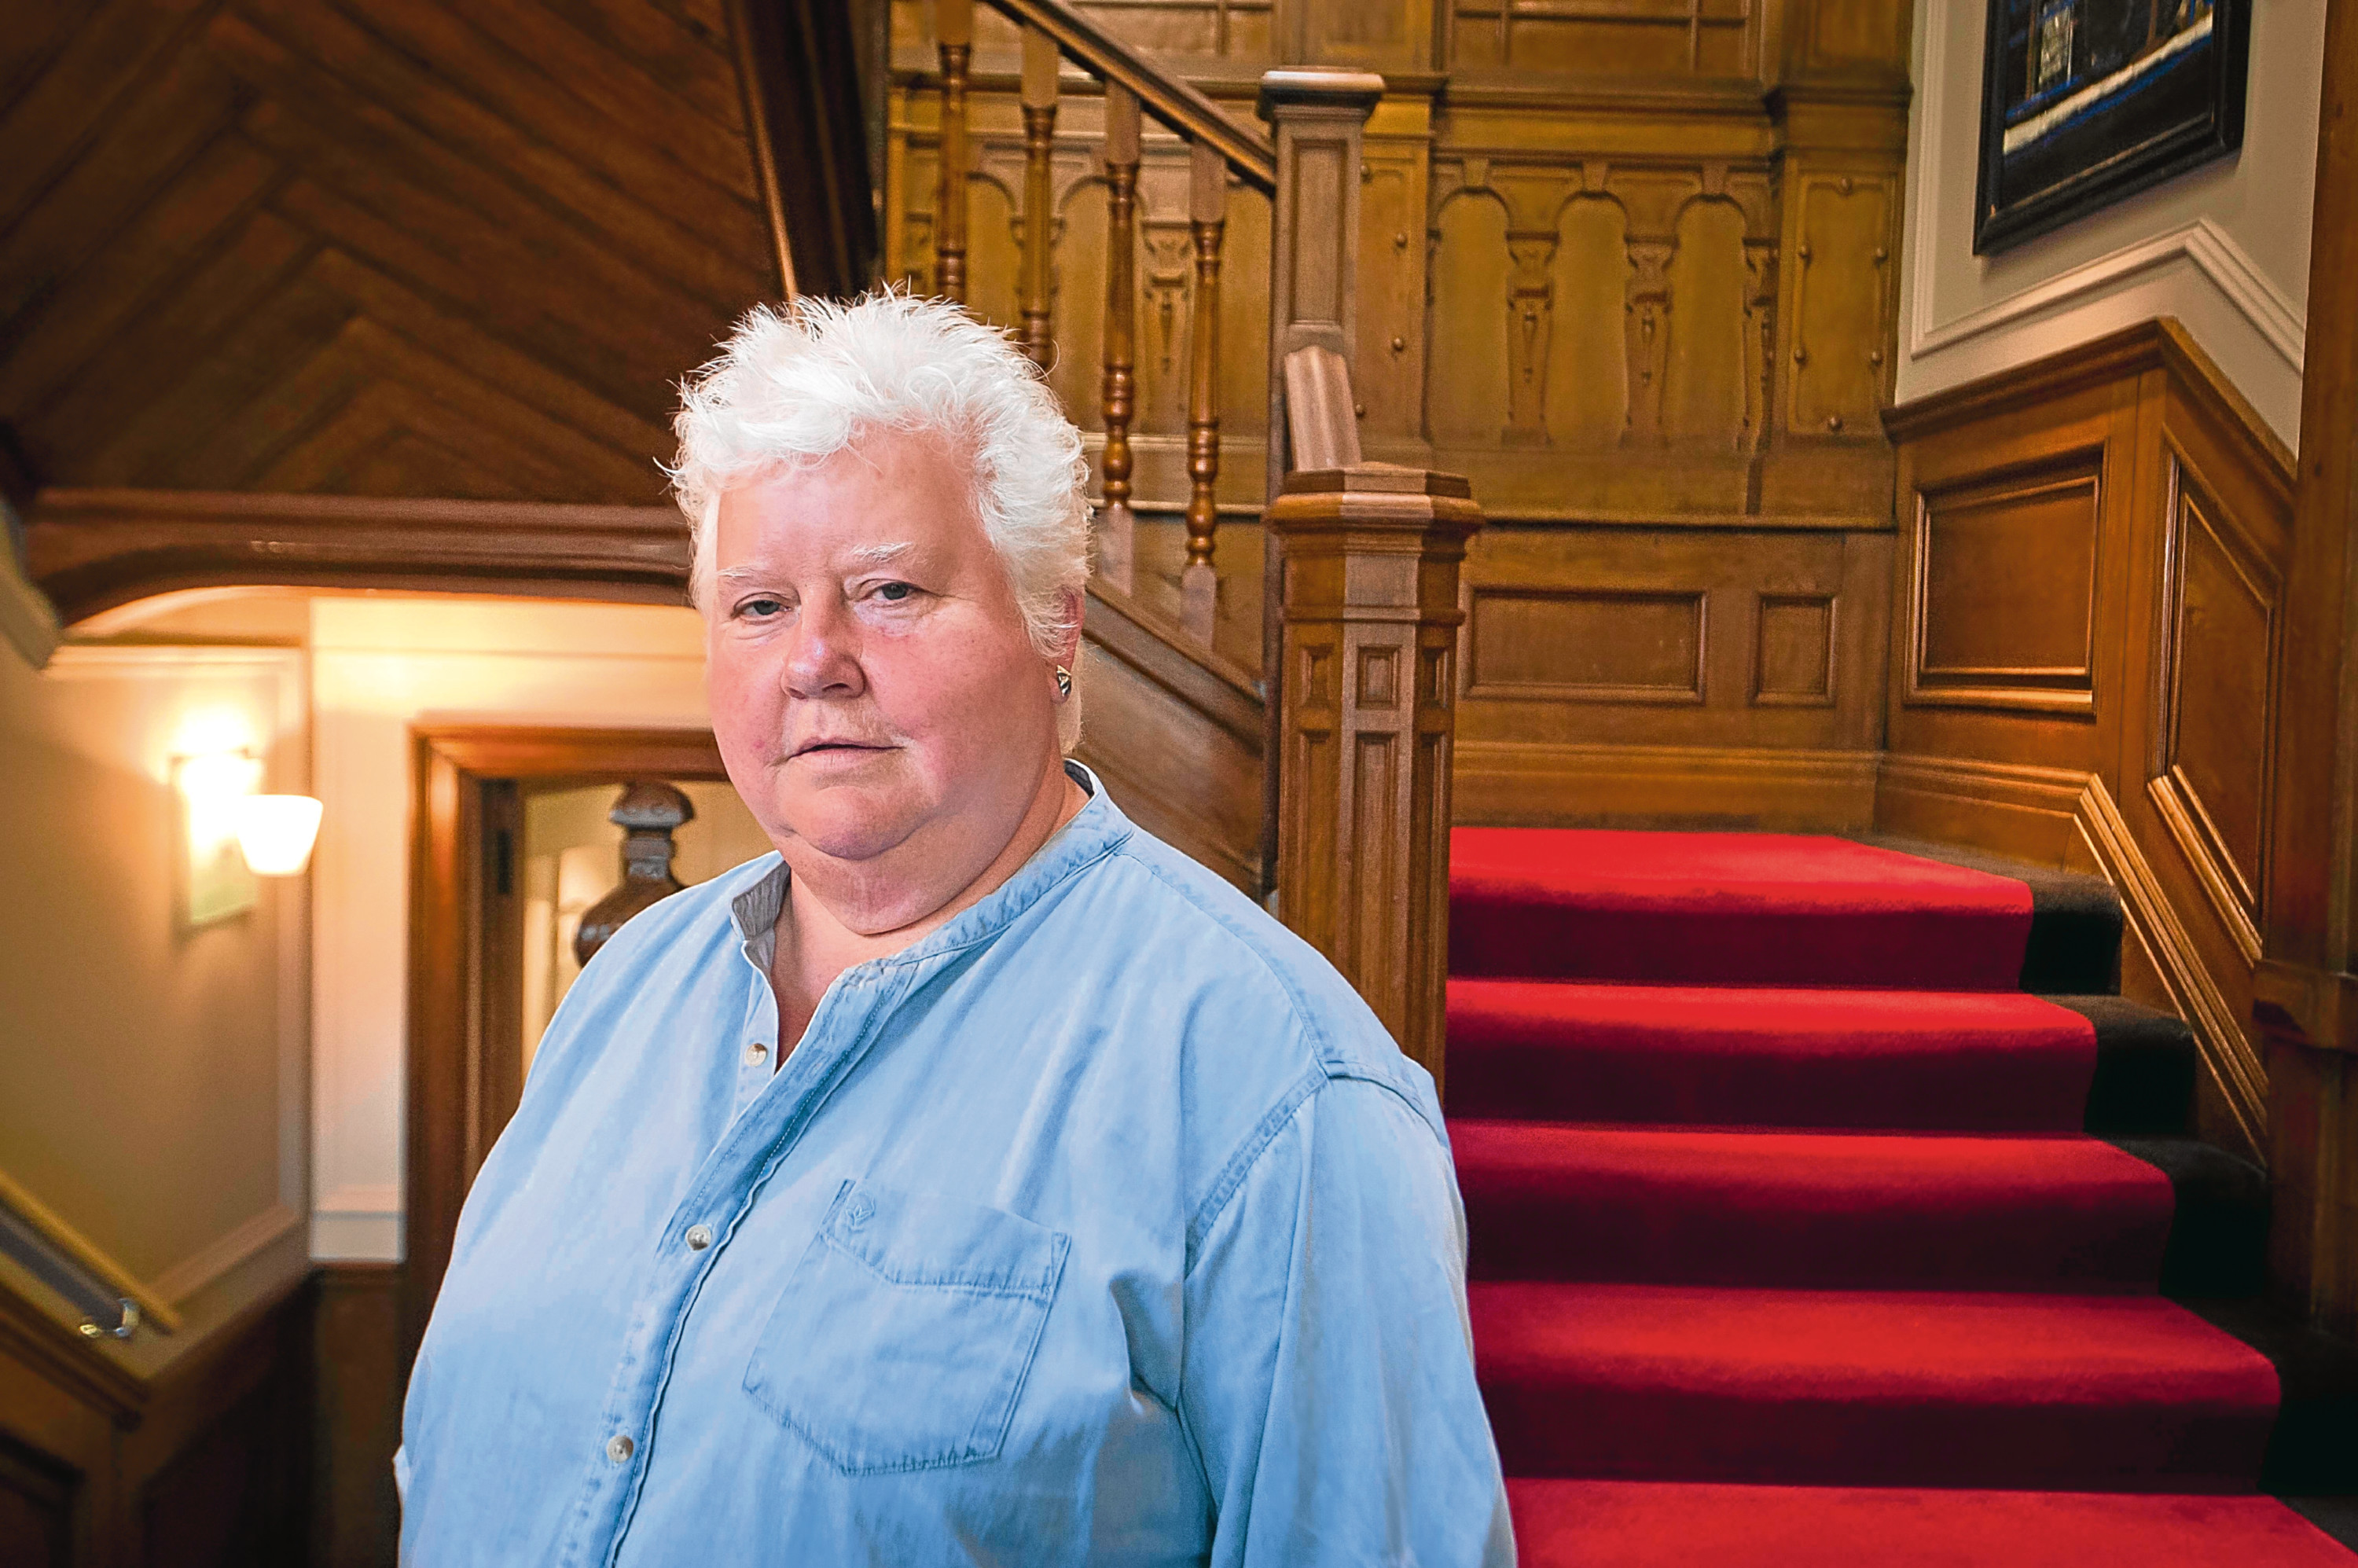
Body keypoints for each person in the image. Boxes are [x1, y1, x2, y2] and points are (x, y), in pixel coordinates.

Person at [395, 290, 1514, 1566]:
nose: (815, 660)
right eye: (760, 606)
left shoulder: (1282, 1088)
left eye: (889, 591)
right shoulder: (627, 987)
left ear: (1057, 628)